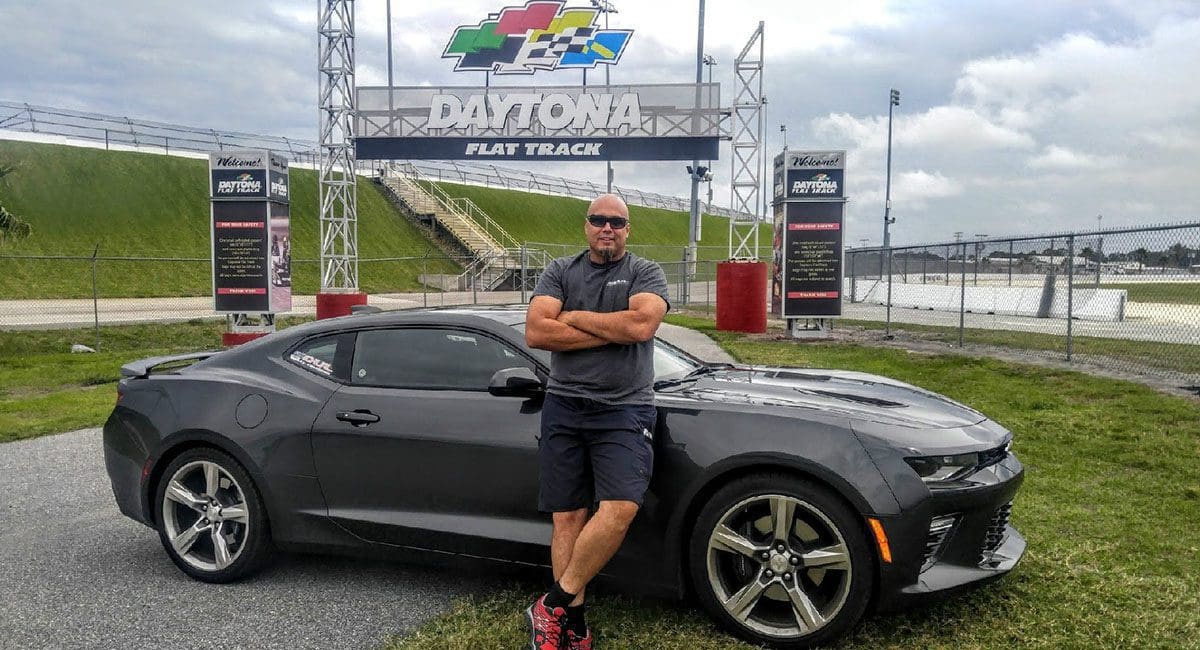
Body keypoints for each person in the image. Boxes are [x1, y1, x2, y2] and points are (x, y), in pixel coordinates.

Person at [523, 194, 670, 650]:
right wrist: (611, 328)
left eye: (617, 221)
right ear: (586, 226)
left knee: (621, 508)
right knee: (568, 517)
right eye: (598, 220)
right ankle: (574, 625)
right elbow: (537, 332)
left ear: (629, 229)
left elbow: (641, 327)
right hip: (565, 406)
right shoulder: (559, 272)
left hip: (625, 409)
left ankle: (550, 604)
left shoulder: (647, 272)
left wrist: (577, 318)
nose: (607, 227)